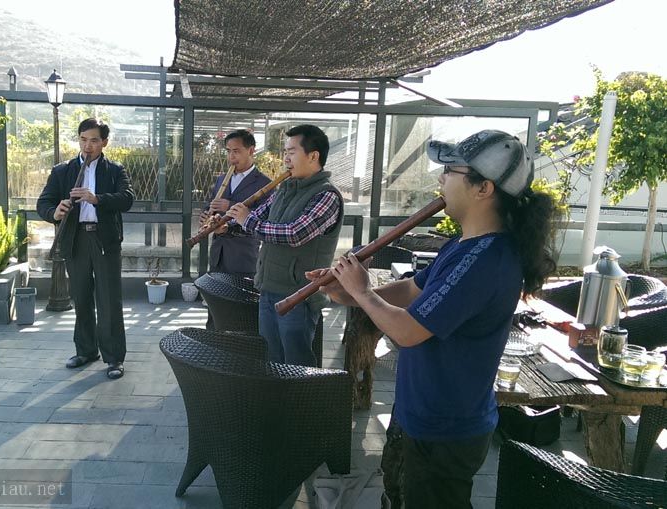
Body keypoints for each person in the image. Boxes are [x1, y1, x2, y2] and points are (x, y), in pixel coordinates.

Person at [309, 130, 558, 509]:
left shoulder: (485, 260)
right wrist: (346, 291)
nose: (440, 179)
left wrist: (363, 292)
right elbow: (411, 290)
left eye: (450, 171)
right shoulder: (464, 245)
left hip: (445, 430)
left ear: (483, 189)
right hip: (420, 412)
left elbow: (408, 332)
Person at [226, 124, 343, 367]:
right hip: (268, 288)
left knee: (296, 364)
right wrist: (227, 226)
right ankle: (276, 393)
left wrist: (247, 220)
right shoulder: (285, 188)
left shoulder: (326, 195)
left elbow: (294, 234)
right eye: (285, 152)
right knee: (272, 360)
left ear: (313, 156)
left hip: (299, 296)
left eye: (291, 152)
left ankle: (300, 394)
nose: (286, 159)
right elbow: (257, 217)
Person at [36, 118, 134, 380]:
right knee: (80, 297)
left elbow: (127, 199)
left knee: (109, 300)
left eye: (93, 140)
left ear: (104, 142)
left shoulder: (115, 170)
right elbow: (43, 203)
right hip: (76, 239)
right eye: (83, 139)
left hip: (104, 241)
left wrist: (97, 198)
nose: (87, 146)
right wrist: (54, 212)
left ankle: (114, 357)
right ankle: (86, 351)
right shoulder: (62, 170)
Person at [199, 129, 272, 329]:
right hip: (218, 253)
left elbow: (263, 219)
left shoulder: (265, 184)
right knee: (215, 307)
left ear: (251, 151)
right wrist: (206, 216)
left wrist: (229, 205)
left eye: (237, 151)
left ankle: (237, 344)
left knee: (240, 308)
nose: (231, 156)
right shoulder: (221, 179)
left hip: (243, 255)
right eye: (229, 151)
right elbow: (211, 205)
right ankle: (214, 341)